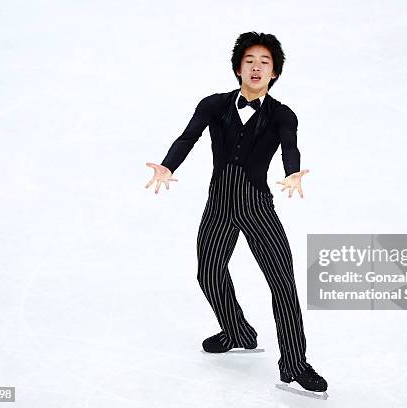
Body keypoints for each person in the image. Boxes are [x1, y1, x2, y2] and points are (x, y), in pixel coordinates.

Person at [145, 31, 328, 395]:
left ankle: (294, 364)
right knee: (209, 273)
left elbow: (290, 148)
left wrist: (292, 171)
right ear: (238, 67)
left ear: (274, 72)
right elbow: (188, 137)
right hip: (219, 204)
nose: (257, 68)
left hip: (256, 205)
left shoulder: (282, 115)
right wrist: (168, 166)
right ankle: (238, 332)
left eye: (265, 63)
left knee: (282, 283)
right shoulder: (214, 105)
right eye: (250, 61)